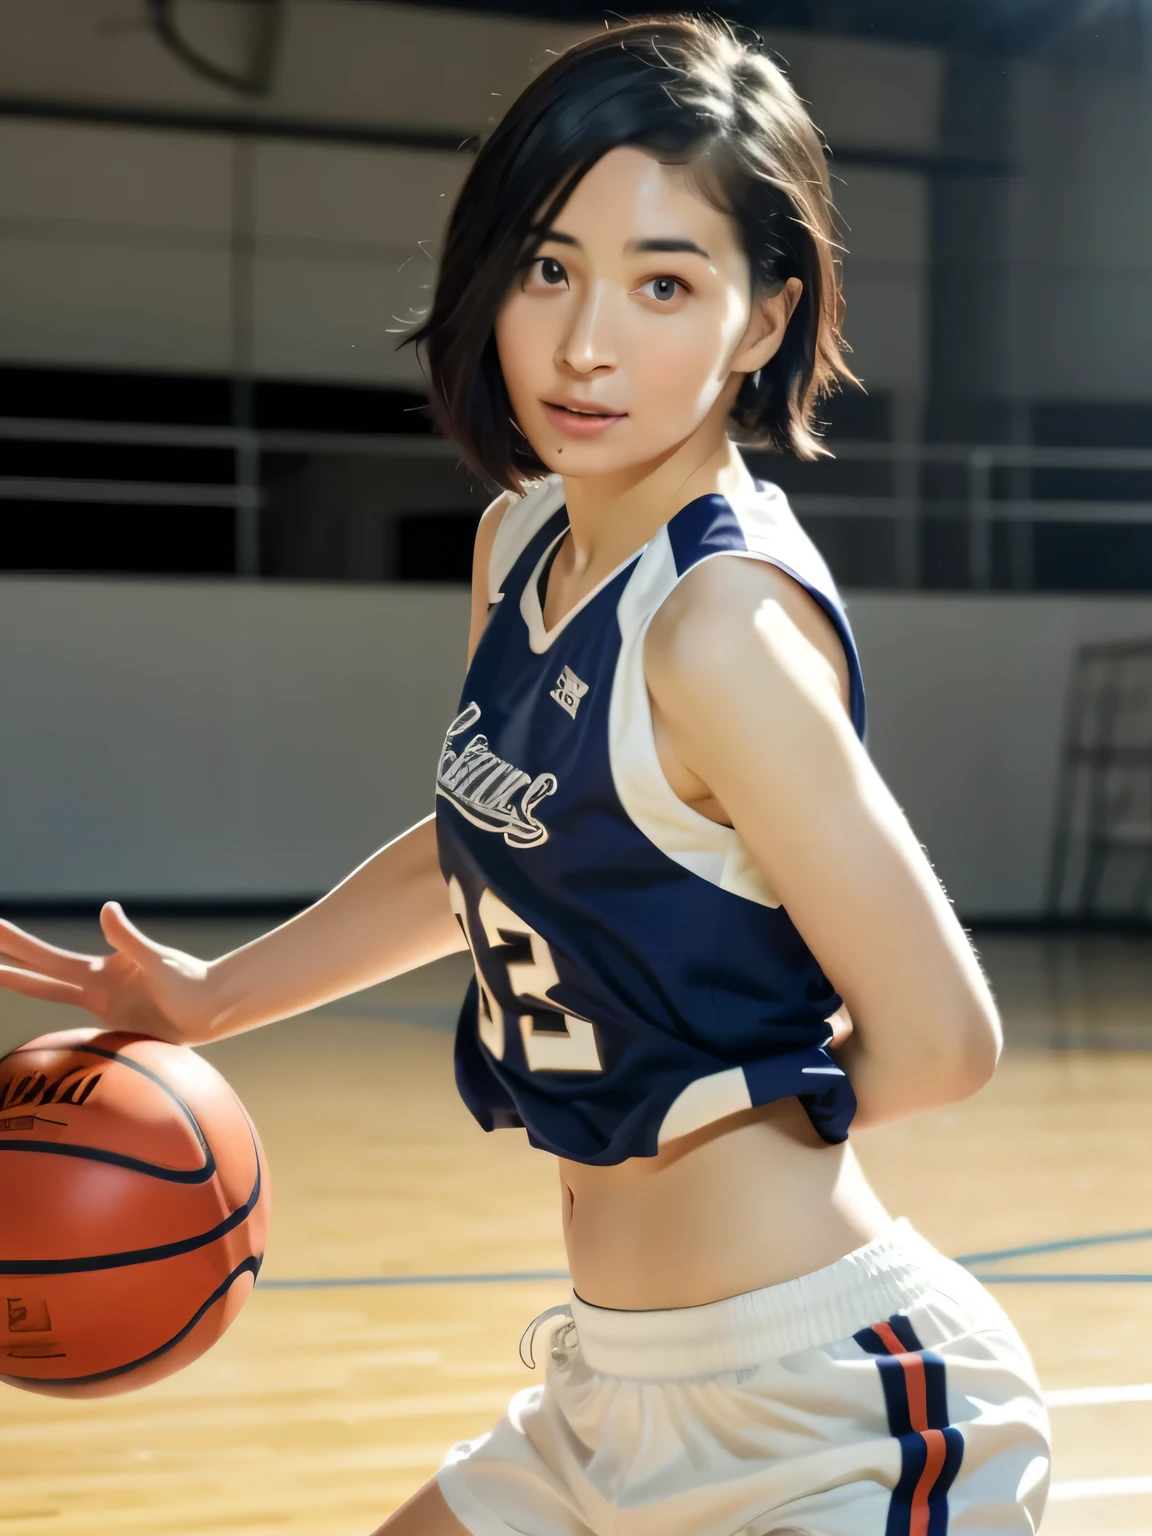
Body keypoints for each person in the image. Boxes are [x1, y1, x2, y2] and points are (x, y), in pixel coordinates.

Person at [0, 15, 1050, 1535]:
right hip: (605, 1395)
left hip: (830, 1409)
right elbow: (482, 840)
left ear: (765, 321)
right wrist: (214, 1000)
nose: (585, 343)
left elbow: (946, 1041)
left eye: (666, 282)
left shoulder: (722, 632)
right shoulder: (526, 541)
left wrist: (709, 1128)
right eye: (548, 267)